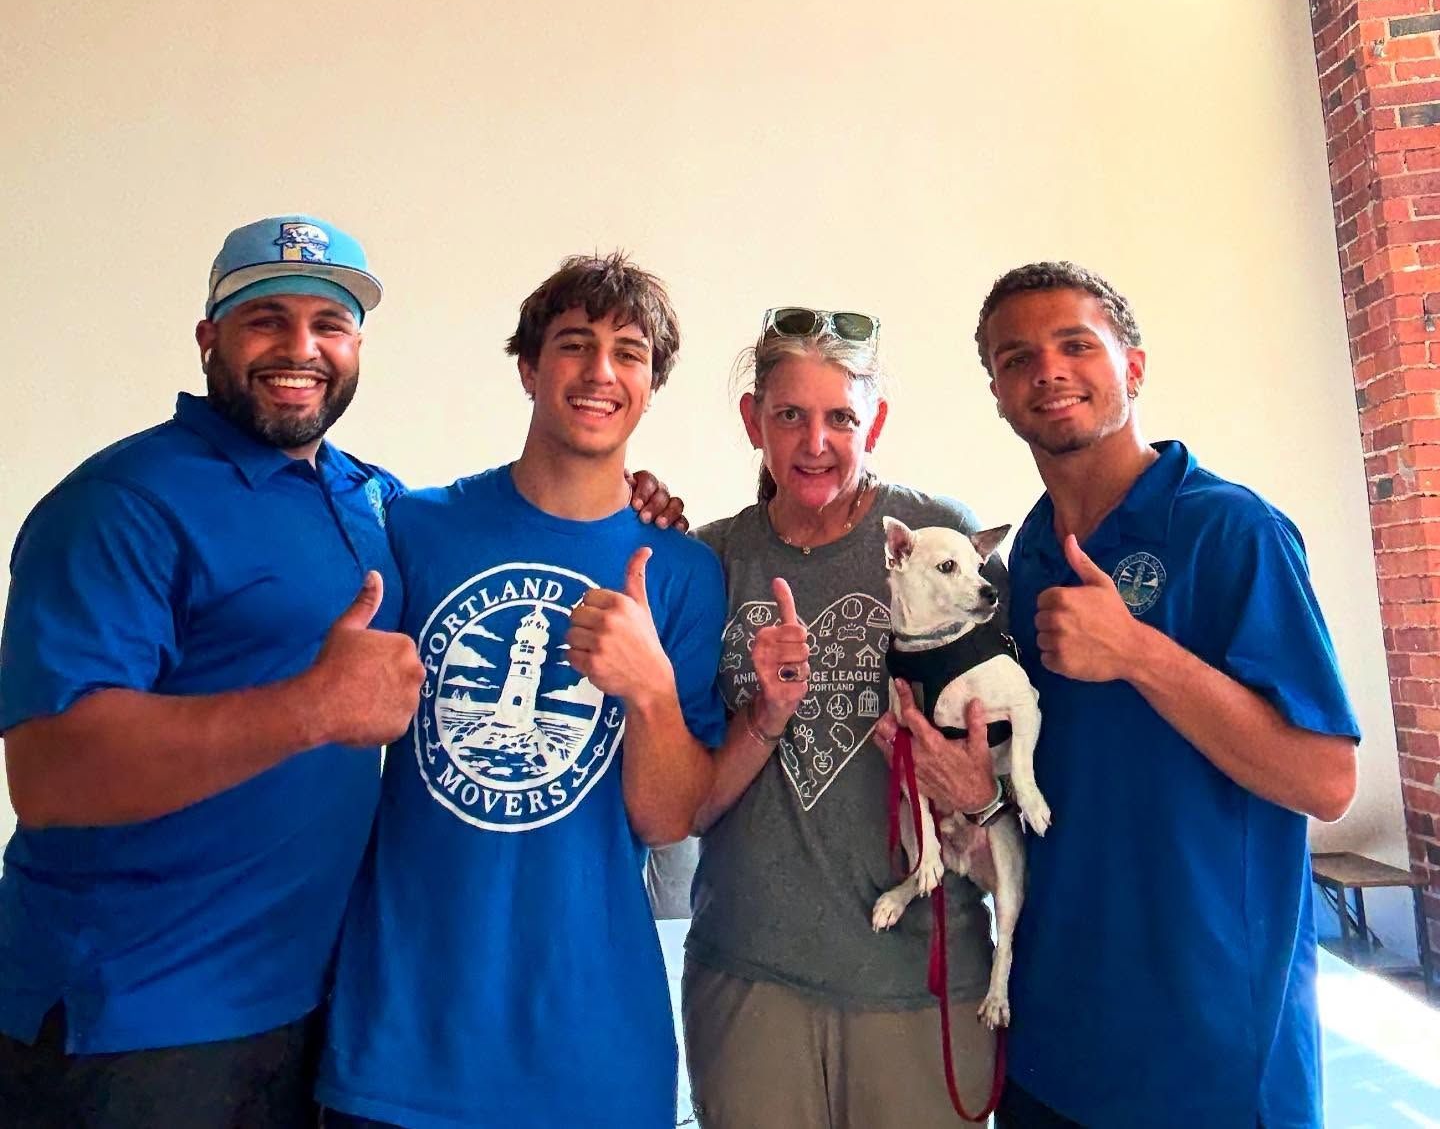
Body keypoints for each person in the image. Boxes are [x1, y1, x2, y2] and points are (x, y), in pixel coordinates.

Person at [881, 261, 1360, 1129]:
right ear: (997, 393)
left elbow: (1325, 781)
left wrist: (1139, 652)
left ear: (1132, 366)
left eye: (1076, 344)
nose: (1048, 370)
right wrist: (973, 791)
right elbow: (1061, 785)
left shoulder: (1230, 531)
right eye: (1017, 357)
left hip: (1209, 1062)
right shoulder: (1022, 559)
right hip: (1050, 1049)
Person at [0, 215, 426, 1128]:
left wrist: (638, 504)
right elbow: (49, 772)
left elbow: (502, 526)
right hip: (133, 1022)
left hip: (309, 1010)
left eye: (329, 323)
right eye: (267, 319)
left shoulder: (368, 496)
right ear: (209, 338)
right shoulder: (120, 503)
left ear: (357, 347)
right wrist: (311, 707)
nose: (300, 348)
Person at [315, 252, 726, 1129]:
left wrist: (651, 689)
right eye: (574, 344)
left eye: (629, 352)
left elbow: (667, 818)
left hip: (591, 1054)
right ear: (529, 368)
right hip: (403, 1041)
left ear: (652, 386)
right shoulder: (417, 525)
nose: (600, 370)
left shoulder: (684, 573)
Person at [681, 307, 1007, 1129]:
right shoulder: (712, 558)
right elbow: (682, 789)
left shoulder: (942, 537)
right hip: (750, 978)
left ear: (877, 422)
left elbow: (1004, 738)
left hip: (922, 982)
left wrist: (980, 790)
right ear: (753, 419)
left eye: (841, 418)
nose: (815, 442)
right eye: (790, 414)